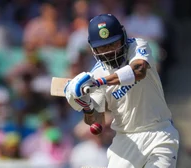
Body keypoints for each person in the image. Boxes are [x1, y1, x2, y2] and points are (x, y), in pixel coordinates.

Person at [64, 14, 179, 168]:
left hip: (159, 132)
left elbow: (139, 71)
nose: (110, 51)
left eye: (113, 44)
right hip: (125, 140)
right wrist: (85, 104)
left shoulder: (138, 46)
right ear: (93, 48)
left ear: (123, 37)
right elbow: (97, 124)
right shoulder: (96, 73)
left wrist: (101, 82)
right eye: (103, 47)